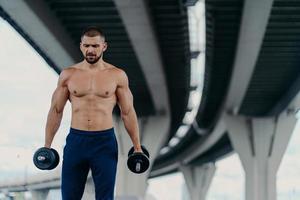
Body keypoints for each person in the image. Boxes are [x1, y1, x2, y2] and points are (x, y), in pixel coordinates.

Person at [43, 26, 143, 200]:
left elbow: (127, 112)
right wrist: (47, 146)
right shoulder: (68, 75)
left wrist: (137, 147)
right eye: (87, 45)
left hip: (104, 143)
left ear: (104, 46)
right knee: (69, 197)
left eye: (95, 46)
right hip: (76, 142)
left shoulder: (117, 76)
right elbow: (56, 111)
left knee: (105, 197)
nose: (90, 50)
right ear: (81, 46)